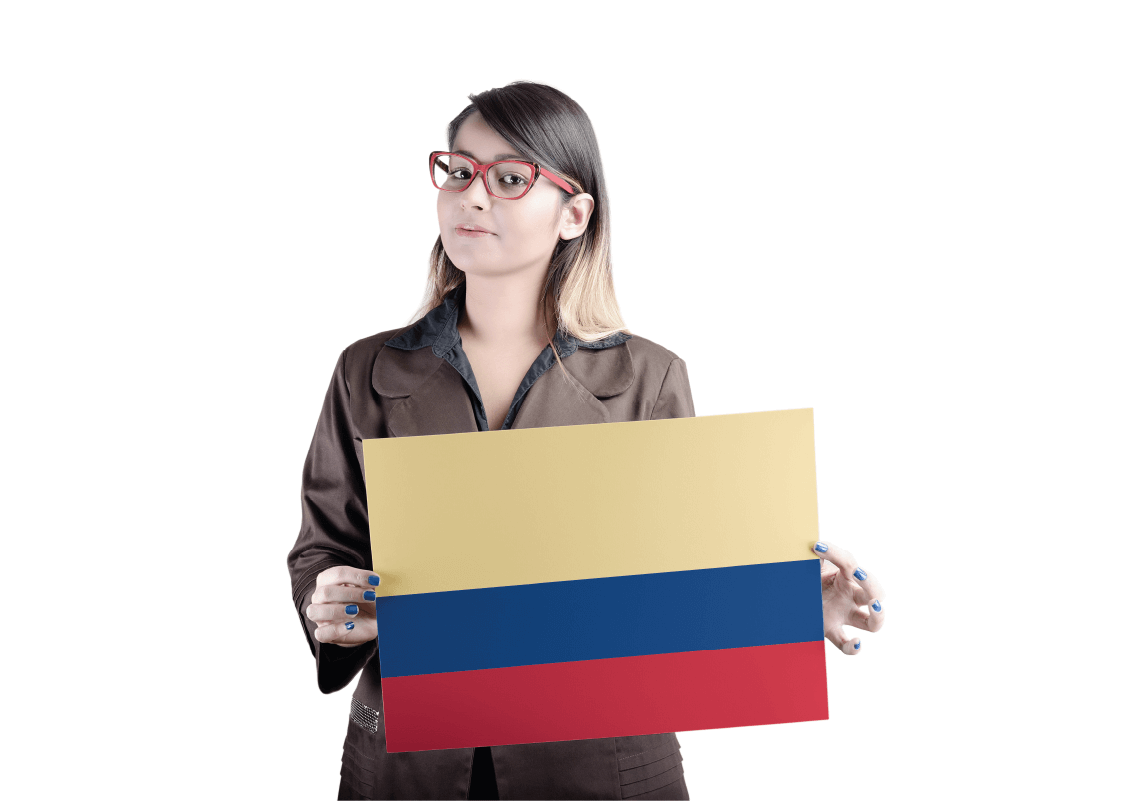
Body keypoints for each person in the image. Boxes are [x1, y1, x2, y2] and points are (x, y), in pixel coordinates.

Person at [286, 81, 886, 800]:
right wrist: (331, 604)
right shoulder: (369, 370)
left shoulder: (650, 378)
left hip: (598, 769)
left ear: (574, 213)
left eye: (510, 178)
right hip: (409, 767)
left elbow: (675, 588)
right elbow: (324, 548)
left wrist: (786, 614)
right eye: (458, 171)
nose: (473, 197)